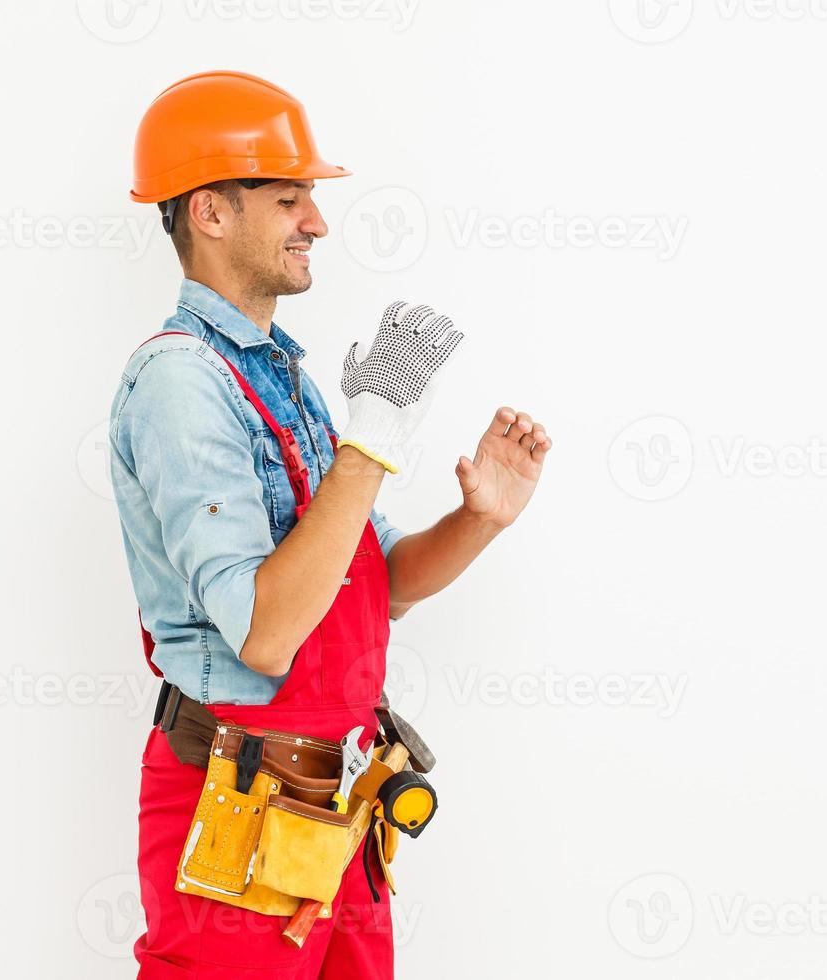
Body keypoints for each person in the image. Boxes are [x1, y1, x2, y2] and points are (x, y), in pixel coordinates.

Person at [109, 70, 552, 979]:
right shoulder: (180, 384)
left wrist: (480, 523)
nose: (316, 220)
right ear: (210, 212)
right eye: (288, 197)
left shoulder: (288, 377)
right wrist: (371, 443)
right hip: (234, 812)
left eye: (310, 196)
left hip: (335, 806)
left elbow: (373, 582)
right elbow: (268, 634)